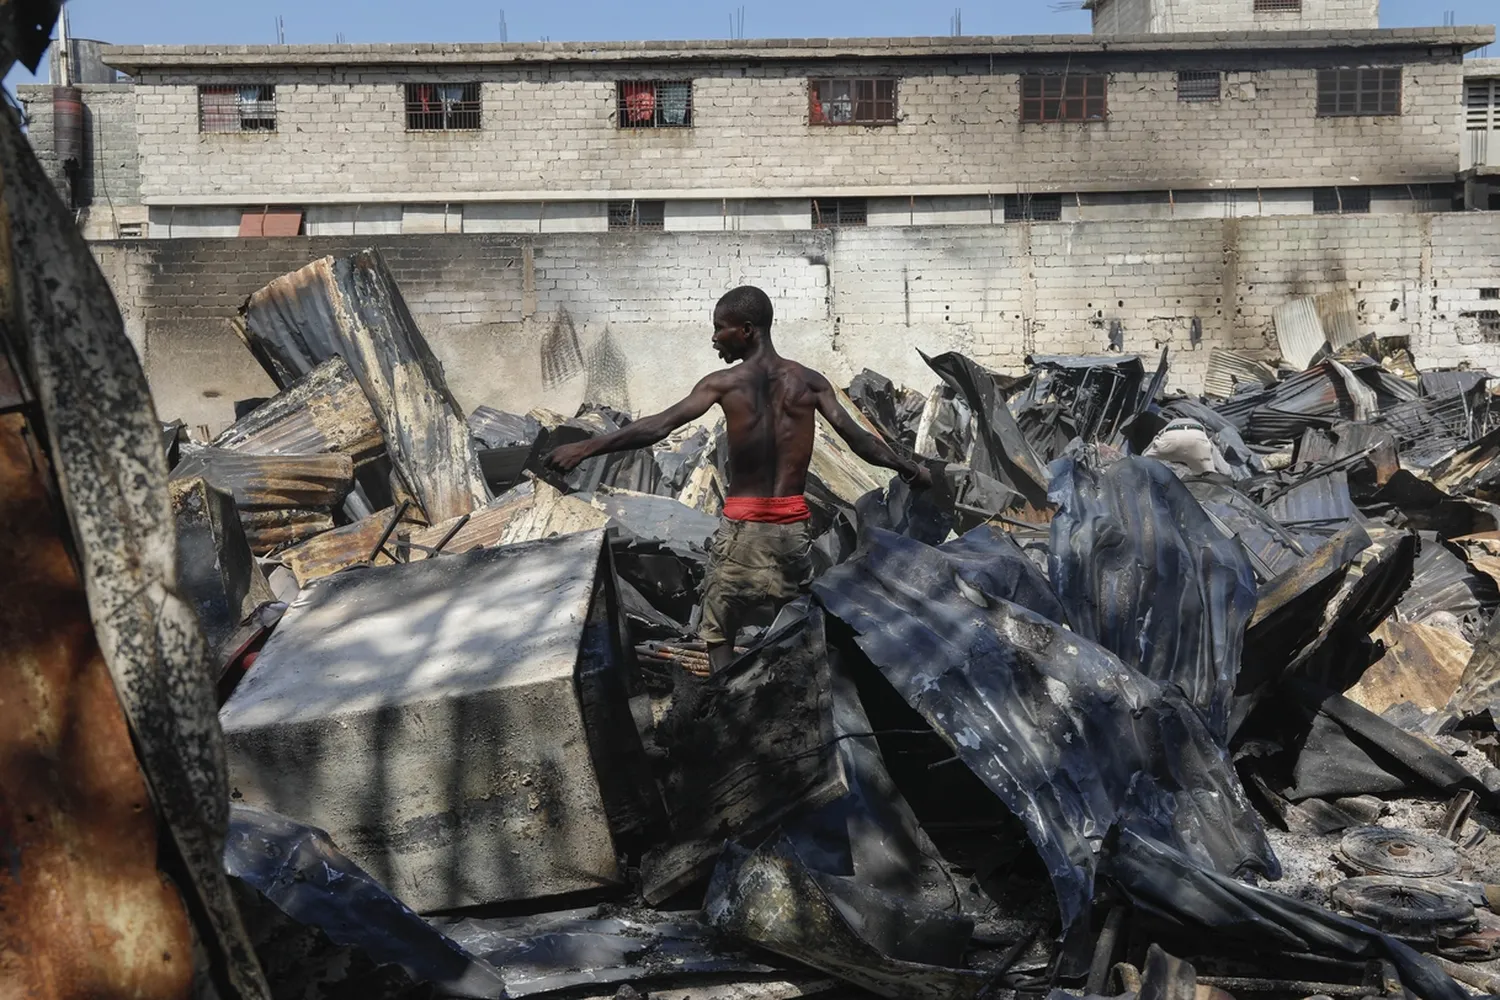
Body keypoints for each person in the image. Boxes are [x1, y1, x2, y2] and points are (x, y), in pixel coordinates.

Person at [546, 285, 932, 671]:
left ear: (747, 330)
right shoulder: (810, 382)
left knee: (718, 633)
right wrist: (909, 469)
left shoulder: (724, 384)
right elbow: (858, 439)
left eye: (720, 328)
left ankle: (723, 706)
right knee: (797, 629)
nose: (714, 338)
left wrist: (584, 449)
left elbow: (658, 426)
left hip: (743, 530)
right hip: (793, 533)